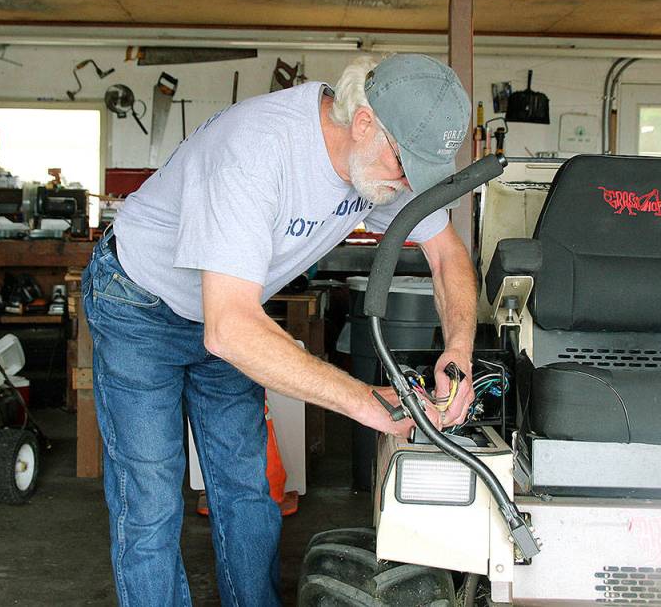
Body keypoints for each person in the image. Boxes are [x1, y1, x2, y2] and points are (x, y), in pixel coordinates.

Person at [82, 53, 479, 606]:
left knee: (247, 490)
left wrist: (458, 352)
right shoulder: (258, 149)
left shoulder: (380, 160)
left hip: (230, 310)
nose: (407, 181)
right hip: (140, 303)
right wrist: (364, 401)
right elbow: (230, 330)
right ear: (364, 121)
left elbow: (446, 254)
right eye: (403, 161)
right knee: (150, 499)